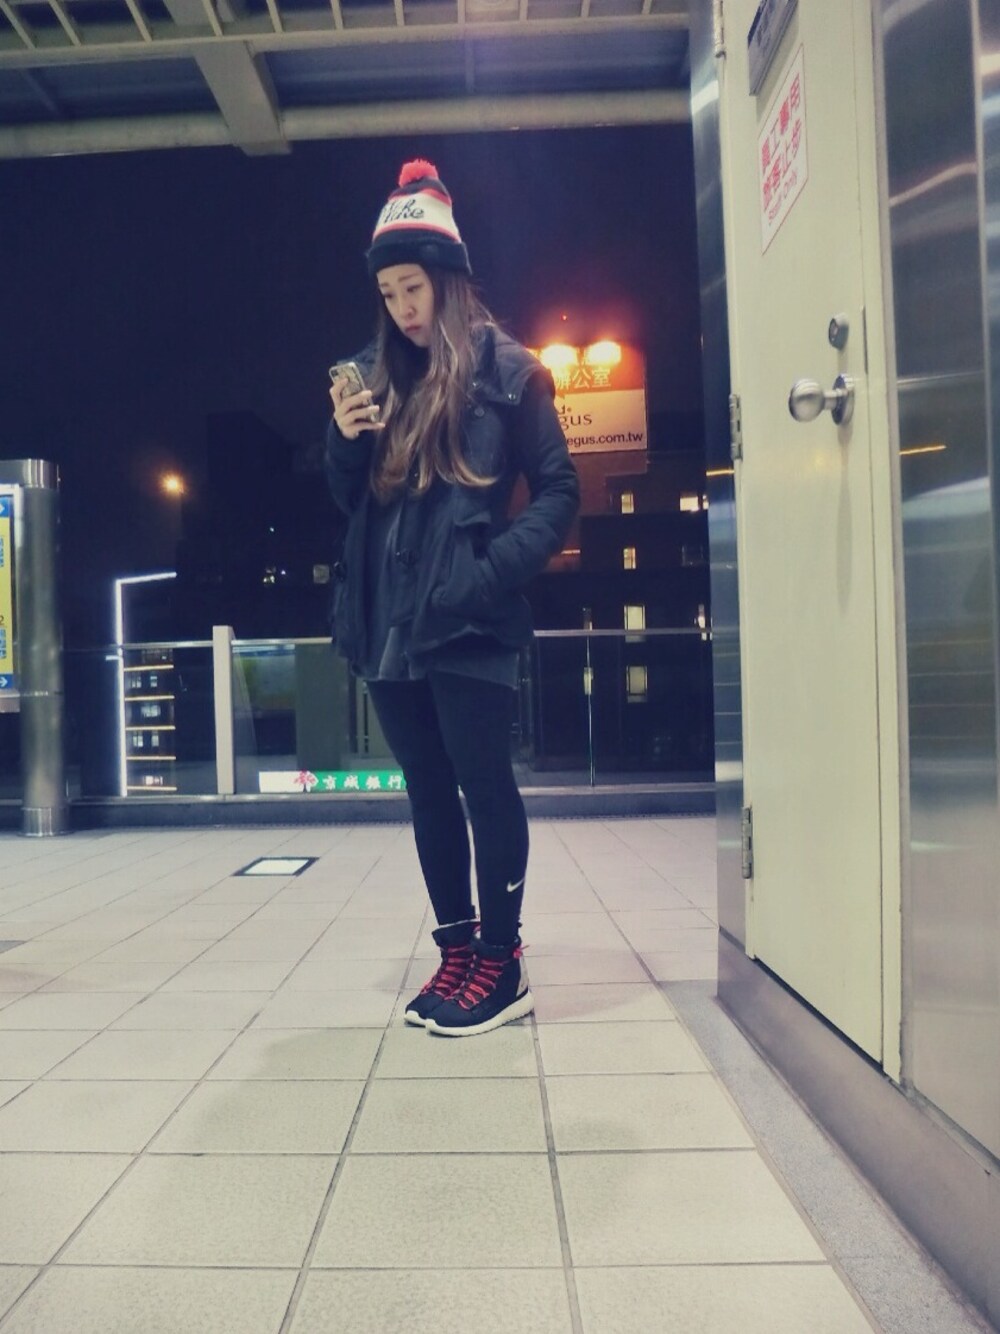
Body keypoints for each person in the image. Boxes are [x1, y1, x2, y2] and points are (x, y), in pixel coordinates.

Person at [326, 159, 579, 1037]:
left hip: (469, 619)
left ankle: (503, 961)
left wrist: (487, 571)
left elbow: (559, 491)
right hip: (386, 624)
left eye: (413, 286)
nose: (402, 307)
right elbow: (350, 501)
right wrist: (344, 441)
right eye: (387, 292)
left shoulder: (511, 371)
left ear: (448, 276)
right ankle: (459, 952)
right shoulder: (372, 377)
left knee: (483, 786)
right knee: (428, 793)